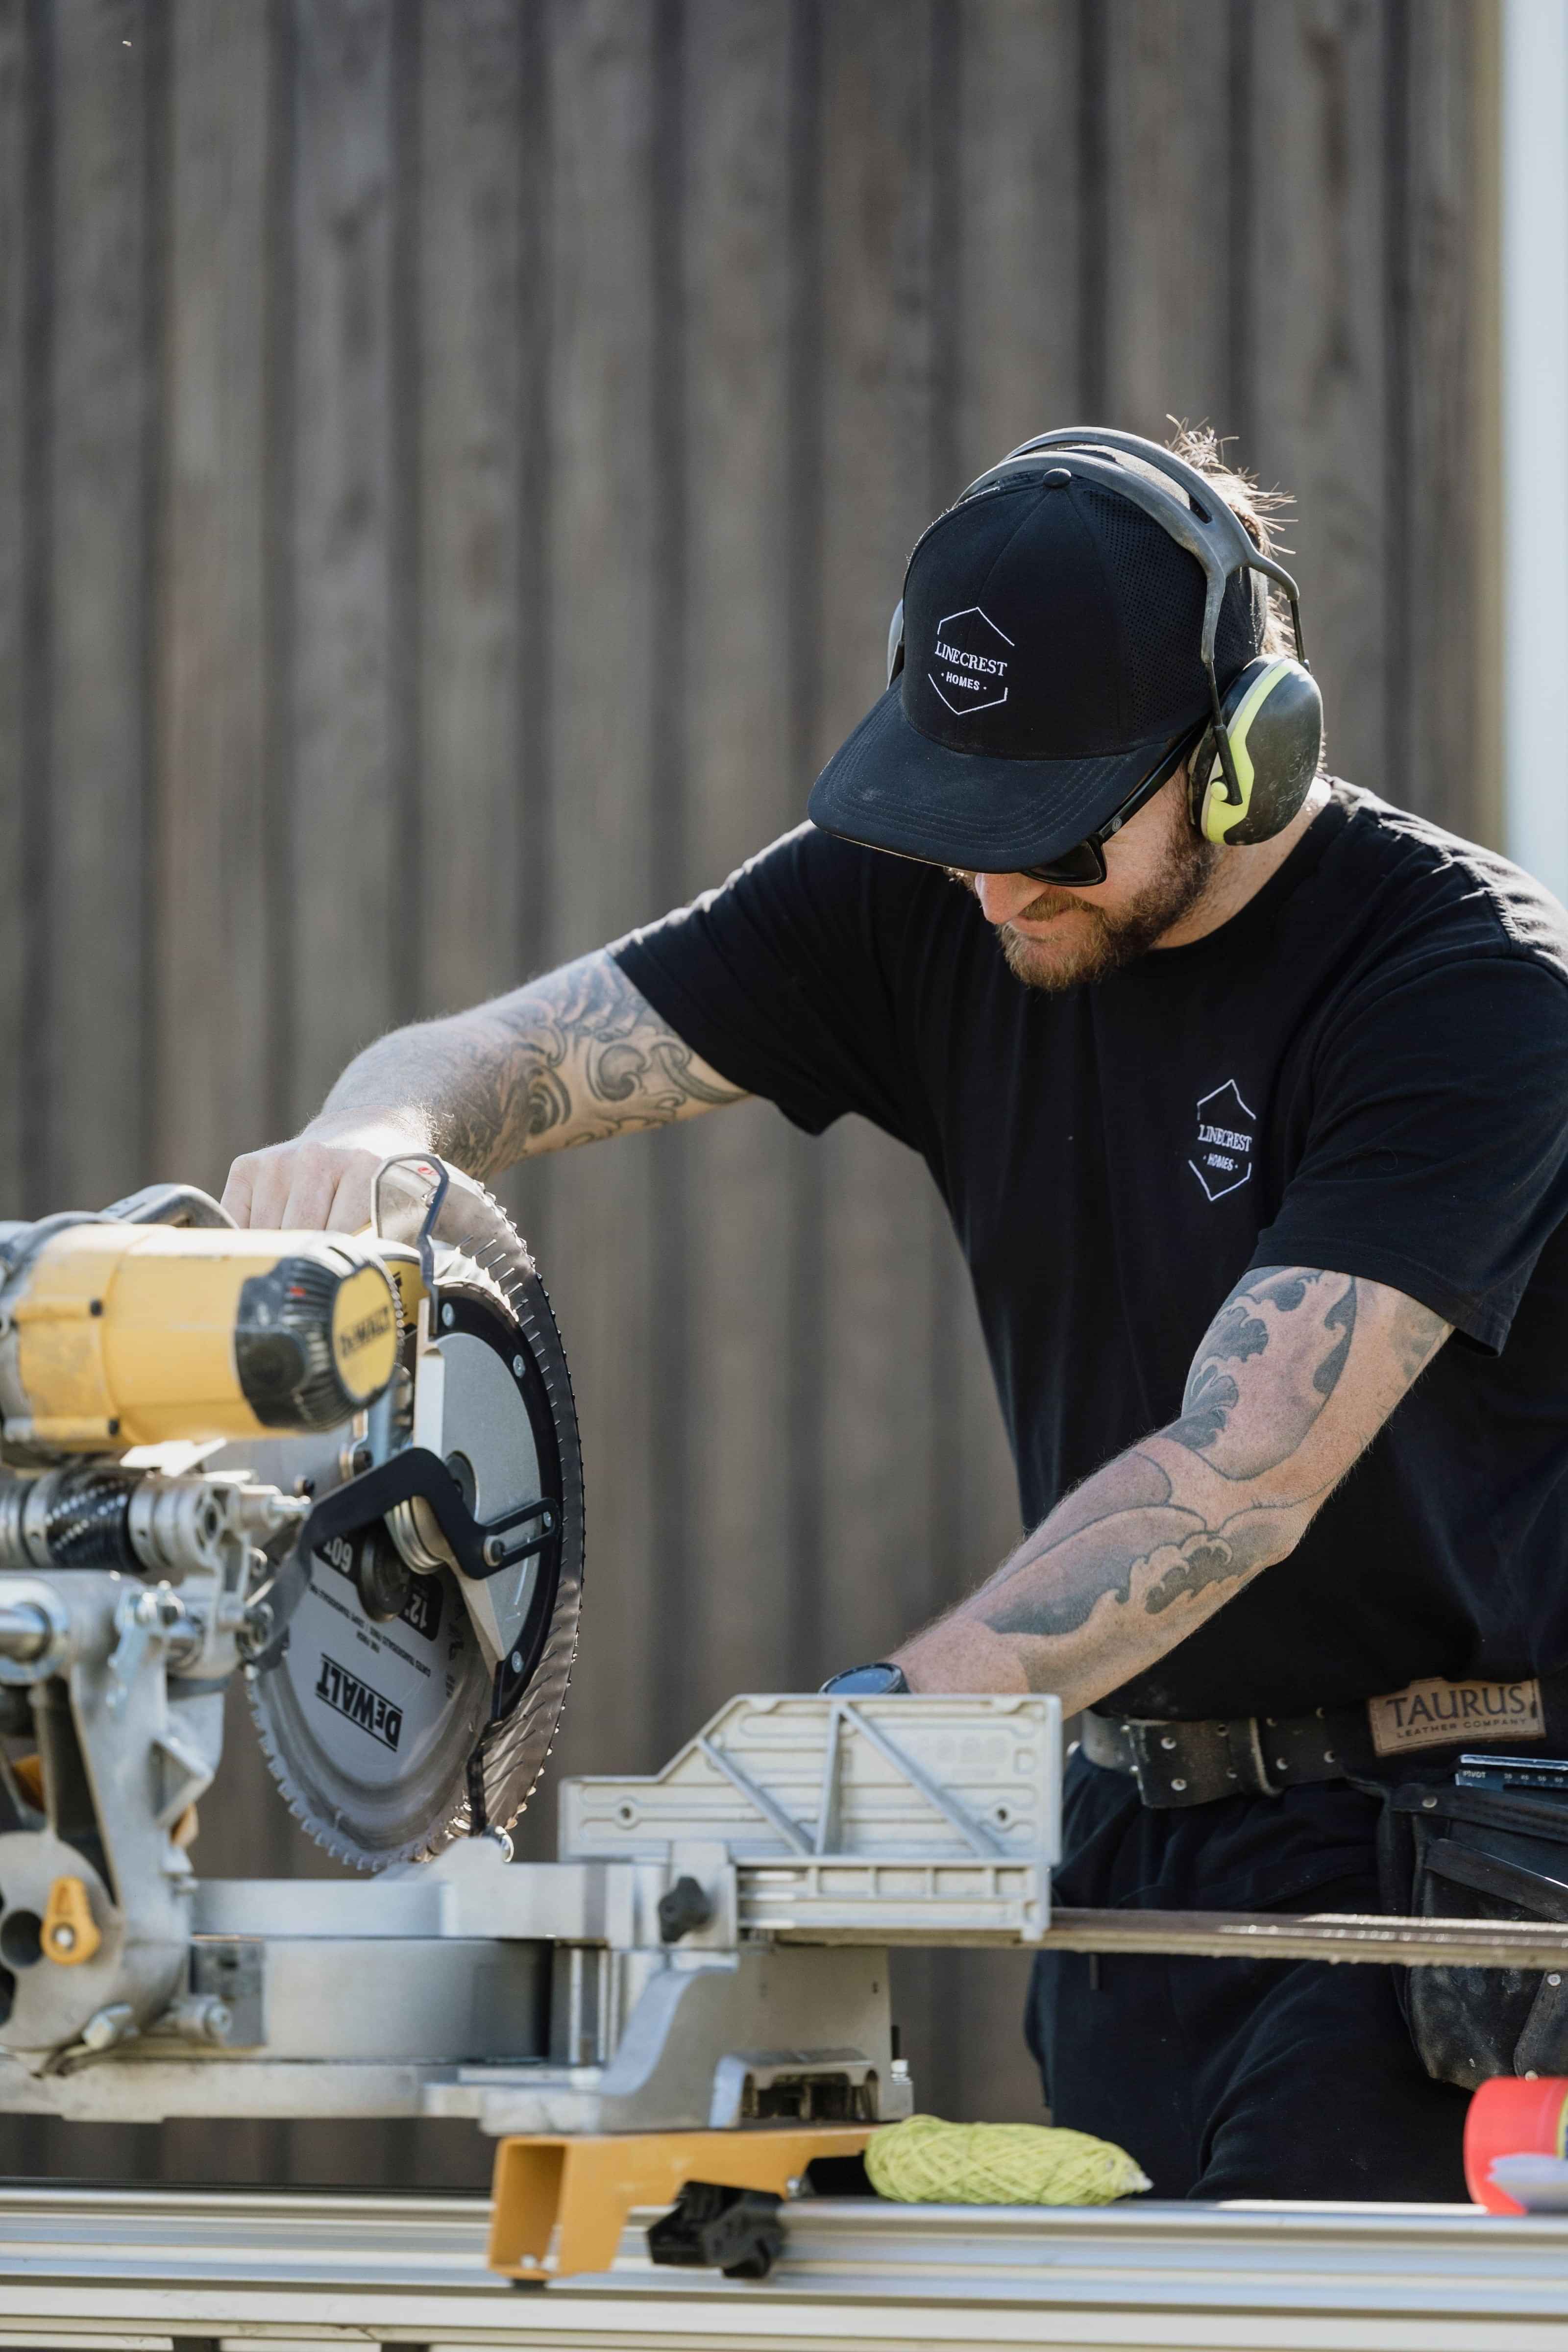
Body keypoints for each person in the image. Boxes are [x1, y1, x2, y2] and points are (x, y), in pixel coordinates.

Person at [224, 426, 1568, 2202]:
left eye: (1054, 833)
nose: (1000, 884)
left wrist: (859, 1736)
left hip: (1435, 1888)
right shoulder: (941, 891)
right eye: (963, 824)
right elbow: (509, 1058)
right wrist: (371, 1136)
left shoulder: (1464, 991)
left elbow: (1237, 1480)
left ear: (1249, 754)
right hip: (1125, 1849)